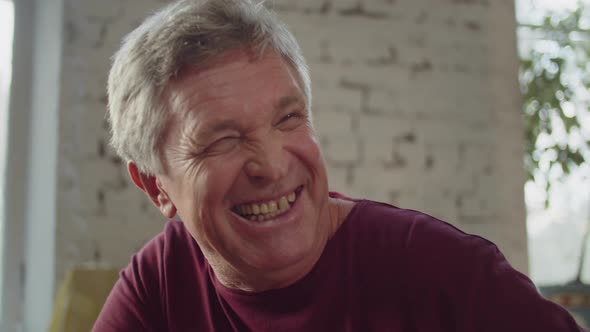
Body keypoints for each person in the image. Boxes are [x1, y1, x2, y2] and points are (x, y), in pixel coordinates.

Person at [93, 0, 585, 331]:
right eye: (221, 140)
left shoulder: (441, 271)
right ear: (156, 186)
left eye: (287, 119)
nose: (270, 163)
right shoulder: (160, 280)